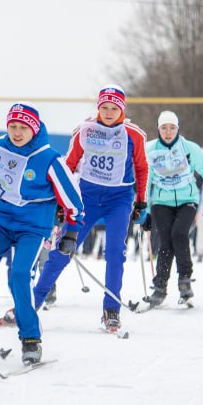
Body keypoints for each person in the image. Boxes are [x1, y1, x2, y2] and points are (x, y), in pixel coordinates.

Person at [0, 103, 84, 364]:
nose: (17, 133)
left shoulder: (49, 158)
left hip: (33, 226)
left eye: (23, 128)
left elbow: (71, 197)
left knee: (19, 275)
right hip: (0, 221)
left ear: (33, 129)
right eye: (12, 127)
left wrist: (72, 232)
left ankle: (30, 338)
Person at [32, 85, 148, 330]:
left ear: (121, 109)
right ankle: (34, 300)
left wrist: (141, 201)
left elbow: (141, 167)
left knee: (115, 251)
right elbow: (68, 166)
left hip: (119, 199)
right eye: (104, 107)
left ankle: (111, 309)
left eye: (114, 108)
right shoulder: (85, 130)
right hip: (86, 196)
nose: (108, 112)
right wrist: (60, 201)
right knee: (64, 248)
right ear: (98, 108)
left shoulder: (133, 134)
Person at [145, 110, 203, 305]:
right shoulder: (150, 149)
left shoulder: (190, 148)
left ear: (178, 129)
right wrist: (146, 210)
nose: (168, 132)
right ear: (158, 129)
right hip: (161, 202)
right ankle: (160, 286)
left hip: (188, 200)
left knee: (179, 234)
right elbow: (146, 180)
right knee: (166, 241)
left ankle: (185, 279)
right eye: (164, 128)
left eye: (172, 128)